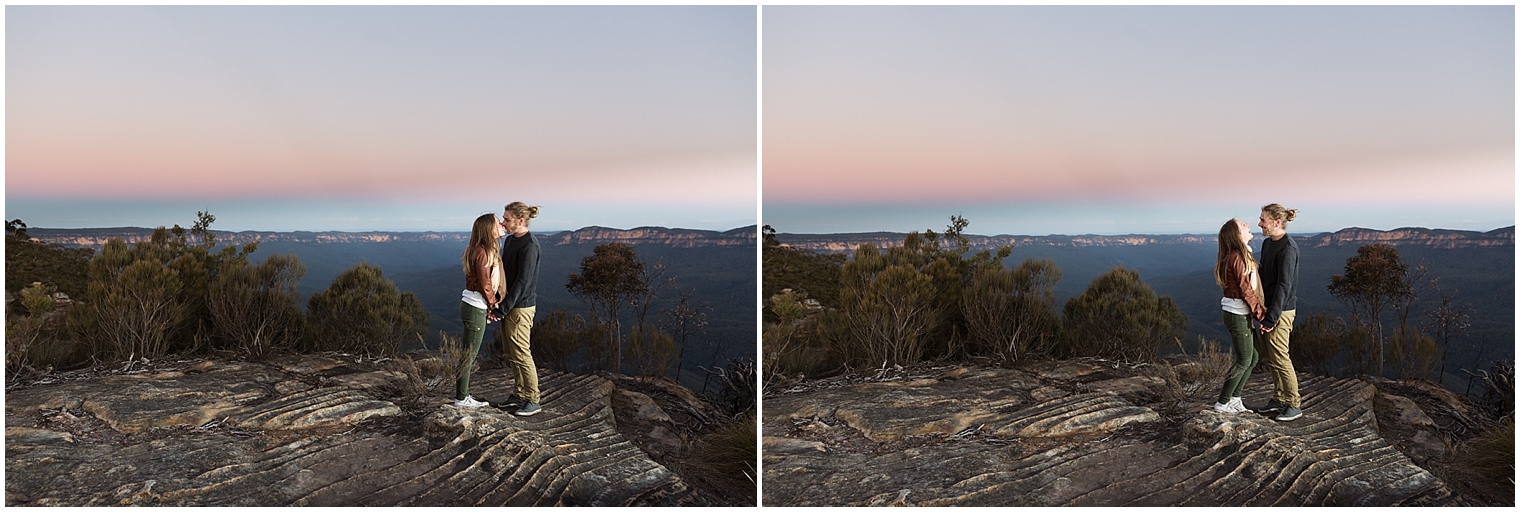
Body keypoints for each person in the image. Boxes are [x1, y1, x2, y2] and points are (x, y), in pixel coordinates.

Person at [494, 202, 543, 417]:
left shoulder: (529, 245)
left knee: (522, 353)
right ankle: (519, 393)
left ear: (520, 221)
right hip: (508, 305)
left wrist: (502, 308)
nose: (503, 223)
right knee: (511, 352)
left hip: (520, 308)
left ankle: (533, 399)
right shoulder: (512, 240)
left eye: (507, 219)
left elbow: (523, 282)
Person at [1212, 218, 1265, 414]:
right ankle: (1222, 403)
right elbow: (1246, 291)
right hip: (1237, 314)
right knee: (1244, 360)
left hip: (1242, 313)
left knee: (1255, 356)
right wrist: (1261, 315)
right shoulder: (1237, 258)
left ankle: (1235, 398)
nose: (1246, 224)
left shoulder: (1241, 255)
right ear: (1236, 234)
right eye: (1241, 224)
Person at [454, 213, 506, 408]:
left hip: (472, 305)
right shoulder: (484, 252)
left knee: (468, 353)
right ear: (488, 228)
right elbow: (485, 284)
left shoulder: (478, 249)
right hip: (476, 306)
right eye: (496, 222)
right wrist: (494, 305)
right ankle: (461, 398)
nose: (501, 224)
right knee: (469, 355)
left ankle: (462, 395)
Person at [1256, 203, 1302, 421]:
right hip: (1268, 309)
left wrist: (1272, 318)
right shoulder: (1268, 244)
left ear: (1276, 222)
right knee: (1270, 357)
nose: (1259, 223)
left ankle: (1294, 404)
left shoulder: (1288, 249)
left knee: (1281, 357)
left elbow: (1284, 286)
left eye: (1263, 220)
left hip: (1281, 312)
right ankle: (1279, 398)